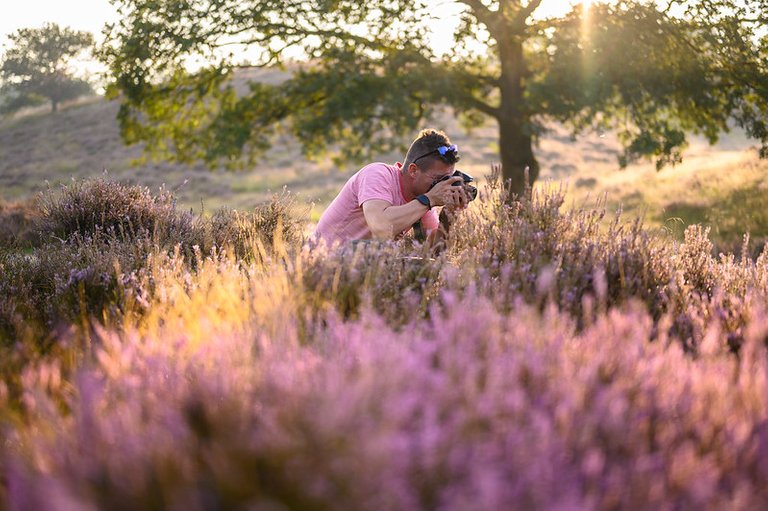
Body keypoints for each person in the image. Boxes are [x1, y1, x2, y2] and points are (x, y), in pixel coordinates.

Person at [312, 129, 470, 247]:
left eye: (447, 179)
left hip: (359, 267)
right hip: (325, 260)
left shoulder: (423, 197)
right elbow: (381, 228)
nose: (443, 186)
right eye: (438, 179)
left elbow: (433, 251)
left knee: (416, 265)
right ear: (413, 170)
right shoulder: (376, 174)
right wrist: (428, 200)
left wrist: (449, 215)